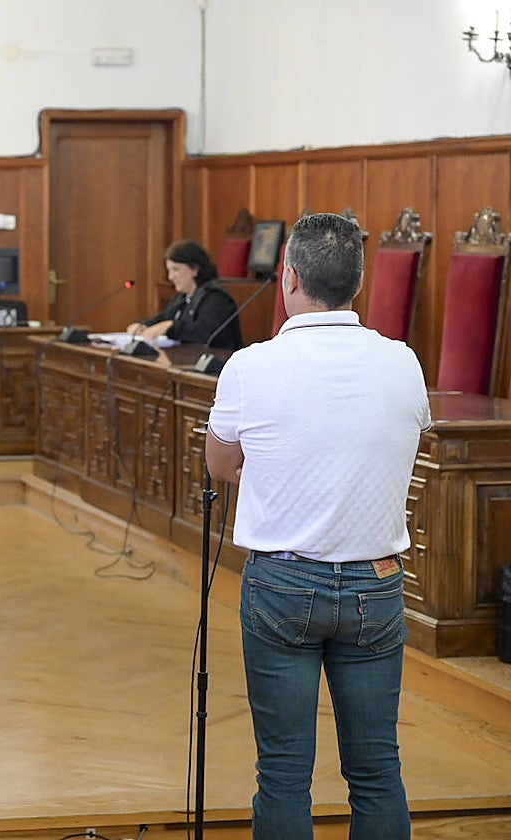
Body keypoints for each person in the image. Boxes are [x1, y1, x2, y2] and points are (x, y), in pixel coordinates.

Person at [205, 213, 431, 840]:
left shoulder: (251, 366)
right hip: (377, 582)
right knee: (378, 769)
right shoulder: (403, 363)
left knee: (282, 772)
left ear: (290, 277)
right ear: (357, 282)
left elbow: (222, 464)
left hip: (283, 582)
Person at [125, 239, 243, 350]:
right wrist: (142, 325)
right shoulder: (182, 298)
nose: (170, 277)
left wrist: (170, 327)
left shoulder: (216, 298)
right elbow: (163, 319)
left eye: (176, 270)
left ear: (195, 269)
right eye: (169, 271)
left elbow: (204, 333)